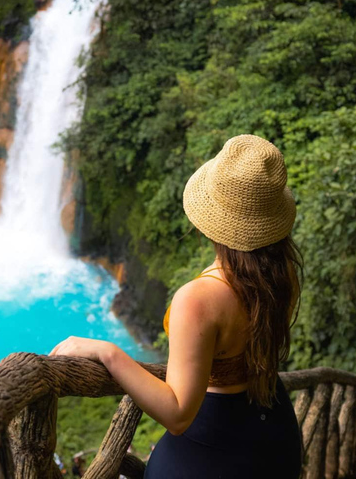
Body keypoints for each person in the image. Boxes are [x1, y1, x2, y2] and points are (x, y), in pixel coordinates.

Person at [49, 134, 303, 478]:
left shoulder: (199, 298)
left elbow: (179, 413)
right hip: (275, 436)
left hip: (210, 452)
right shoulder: (282, 273)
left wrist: (108, 353)